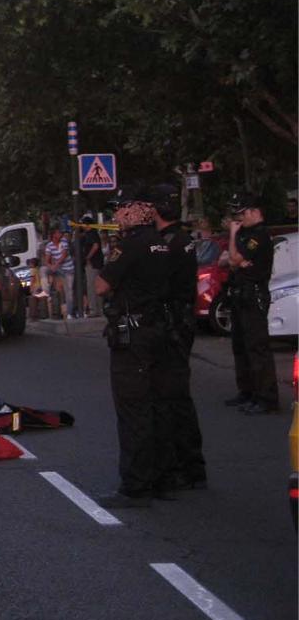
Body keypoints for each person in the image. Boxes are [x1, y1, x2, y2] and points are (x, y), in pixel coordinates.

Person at [94, 191, 175, 507]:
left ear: (141, 210)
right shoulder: (162, 243)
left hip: (134, 334)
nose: (117, 216)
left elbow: (102, 285)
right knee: (158, 405)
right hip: (159, 330)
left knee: (133, 409)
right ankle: (161, 477)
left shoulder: (130, 246)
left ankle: (136, 486)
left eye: (122, 209)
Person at [151, 184, 206, 491]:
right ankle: (191, 465)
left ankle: (182, 466)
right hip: (181, 321)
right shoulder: (183, 239)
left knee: (171, 398)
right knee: (178, 396)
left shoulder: (167, 243)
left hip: (171, 323)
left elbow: (157, 284)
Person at [223, 193, 279, 415]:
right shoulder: (245, 234)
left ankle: (266, 397)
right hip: (239, 293)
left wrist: (234, 236)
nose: (238, 218)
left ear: (255, 211)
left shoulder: (260, 235)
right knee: (241, 346)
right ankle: (247, 391)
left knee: (257, 347)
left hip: (253, 294)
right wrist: (237, 257)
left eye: (242, 212)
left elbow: (235, 260)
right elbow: (228, 261)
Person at [42, 227, 74, 318]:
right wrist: (50, 266)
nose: (61, 234)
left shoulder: (64, 242)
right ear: (54, 235)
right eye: (58, 232)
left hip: (68, 269)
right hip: (58, 268)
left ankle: (69, 313)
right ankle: (46, 289)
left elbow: (64, 255)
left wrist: (55, 265)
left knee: (69, 291)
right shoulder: (49, 245)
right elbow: (46, 260)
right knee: (43, 269)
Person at [77, 215, 104, 317]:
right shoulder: (92, 234)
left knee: (91, 287)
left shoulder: (91, 234)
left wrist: (88, 257)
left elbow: (95, 246)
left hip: (92, 264)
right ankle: (99, 309)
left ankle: (93, 309)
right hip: (96, 263)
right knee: (96, 286)